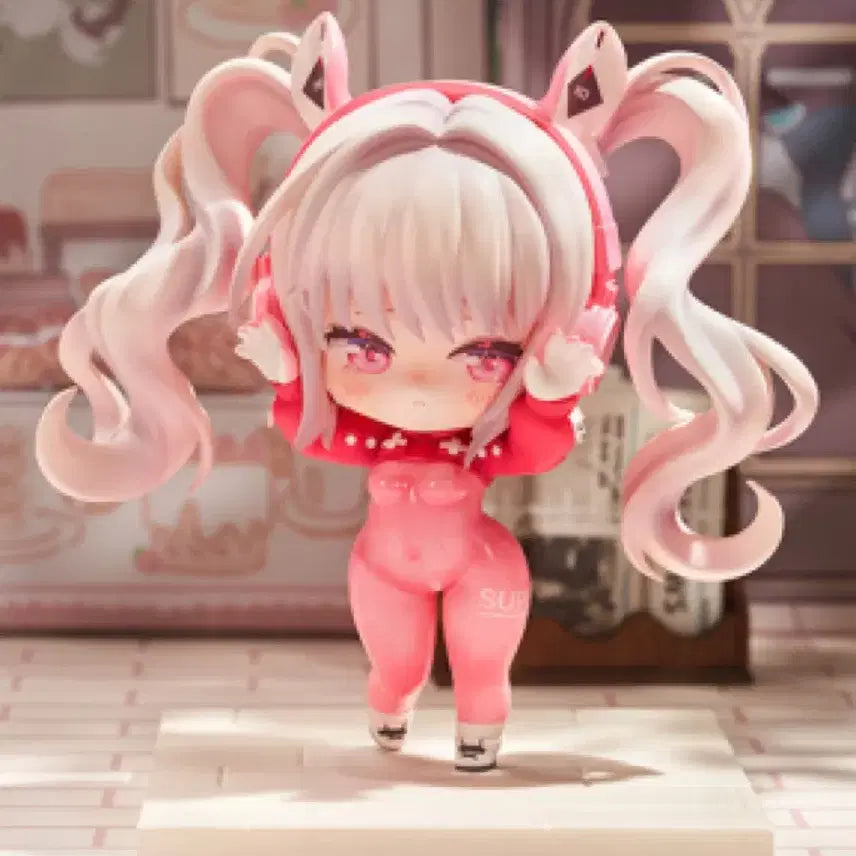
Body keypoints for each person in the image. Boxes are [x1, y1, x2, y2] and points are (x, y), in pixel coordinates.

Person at [34, 14, 818, 772]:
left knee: (482, 664)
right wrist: (291, 373)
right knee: (394, 663)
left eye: (485, 351)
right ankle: (392, 703)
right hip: (382, 567)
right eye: (360, 344)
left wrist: (548, 396)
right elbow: (316, 435)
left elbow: (535, 450)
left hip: (482, 563)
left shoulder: (481, 441)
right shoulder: (366, 433)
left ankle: (480, 730)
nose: (414, 379)